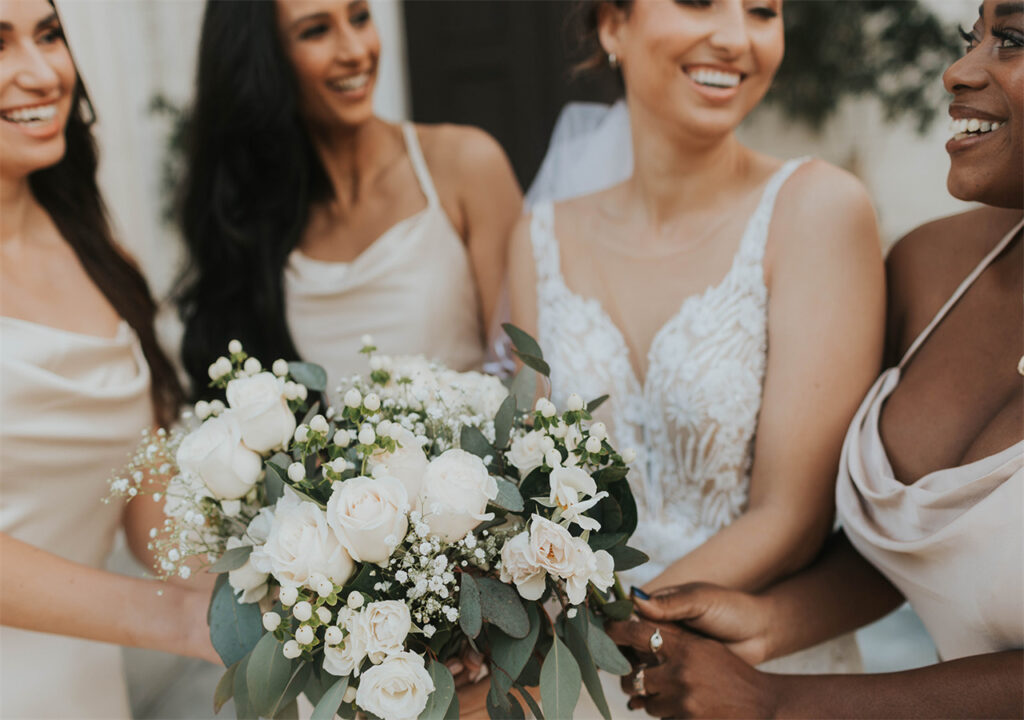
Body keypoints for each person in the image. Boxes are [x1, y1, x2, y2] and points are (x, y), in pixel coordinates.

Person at [608, 1, 1023, 715]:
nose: (958, 70)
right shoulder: (932, 271)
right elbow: (939, 553)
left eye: (1011, 41)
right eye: (971, 38)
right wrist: (768, 621)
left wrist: (776, 701)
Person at [508, 0, 883, 695]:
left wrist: (595, 632)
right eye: (699, 2)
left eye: (763, 11)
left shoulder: (819, 211)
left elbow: (792, 517)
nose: (736, 38)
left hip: (742, 674)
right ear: (612, 24)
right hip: (570, 675)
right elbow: (529, 486)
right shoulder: (537, 239)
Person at [0, 1, 219, 717]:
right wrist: (179, 621)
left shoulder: (101, 256)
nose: (41, 73)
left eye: (50, 35)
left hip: (84, 684)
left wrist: (257, 590)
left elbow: (142, 486)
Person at [174, 0, 522, 399]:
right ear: (263, 56)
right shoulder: (252, 222)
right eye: (316, 31)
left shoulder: (466, 165)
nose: (356, 52)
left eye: (359, 18)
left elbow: (524, 381)